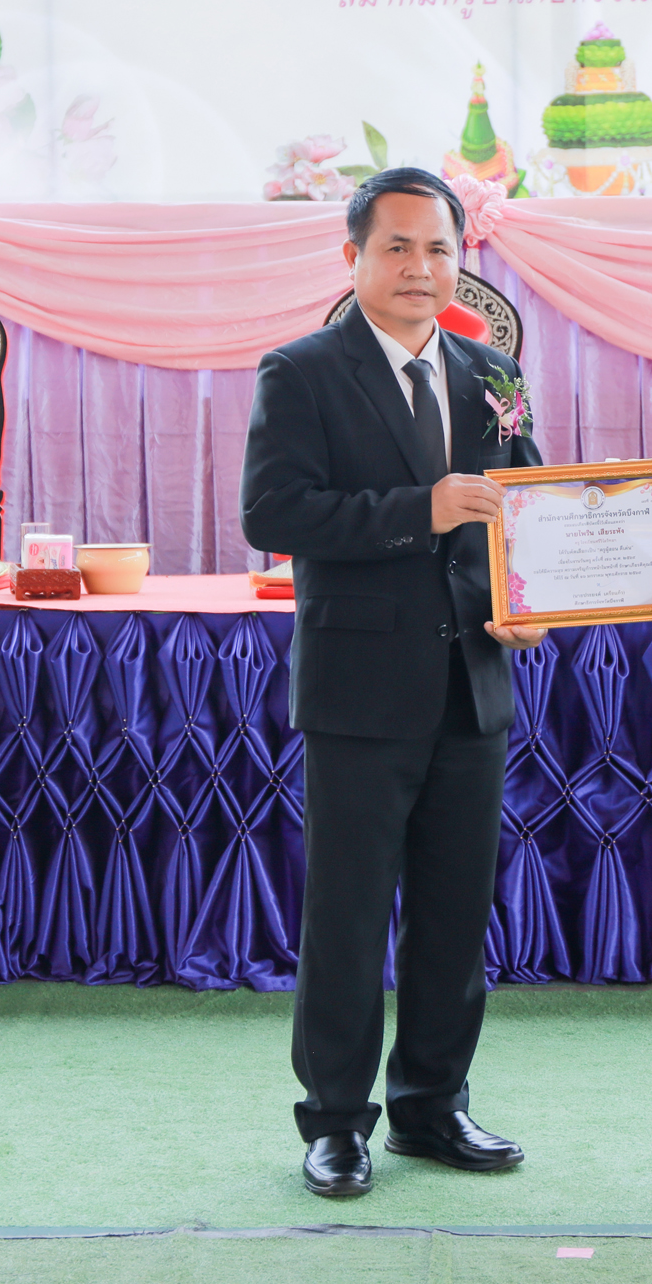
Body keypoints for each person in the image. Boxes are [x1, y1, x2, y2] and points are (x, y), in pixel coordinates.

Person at [239, 167, 546, 1198]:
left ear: (462, 257)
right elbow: (274, 514)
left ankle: (431, 1104)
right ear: (354, 256)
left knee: (456, 913)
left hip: (474, 679)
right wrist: (422, 509)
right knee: (349, 914)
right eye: (398, 247)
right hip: (360, 689)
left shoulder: (494, 372)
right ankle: (334, 1120)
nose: (421, 267)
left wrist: (532, 599)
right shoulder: (302, 371)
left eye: (439, 248)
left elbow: (524, 505)